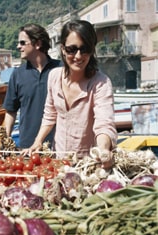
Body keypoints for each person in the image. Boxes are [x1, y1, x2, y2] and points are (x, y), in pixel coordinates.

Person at [24, 20, 117, 169]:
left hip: (88, 165)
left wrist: (104, 150)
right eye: (72, 49)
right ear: (62, 49)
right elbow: (50, 115)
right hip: (59, 162)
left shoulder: (101, 83)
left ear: (92, 50)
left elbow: (104, 124)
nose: (78, 56)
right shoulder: (54, 76)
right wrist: (38, 142)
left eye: (84, 49)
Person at [2, 23, 61, 149]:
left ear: (38, 43)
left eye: (23, 43)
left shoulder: (61, 70)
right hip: (27, 148)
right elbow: (10, 111)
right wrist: (5, 141)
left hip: (59, 146)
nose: (18, 47)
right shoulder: (17, 74)